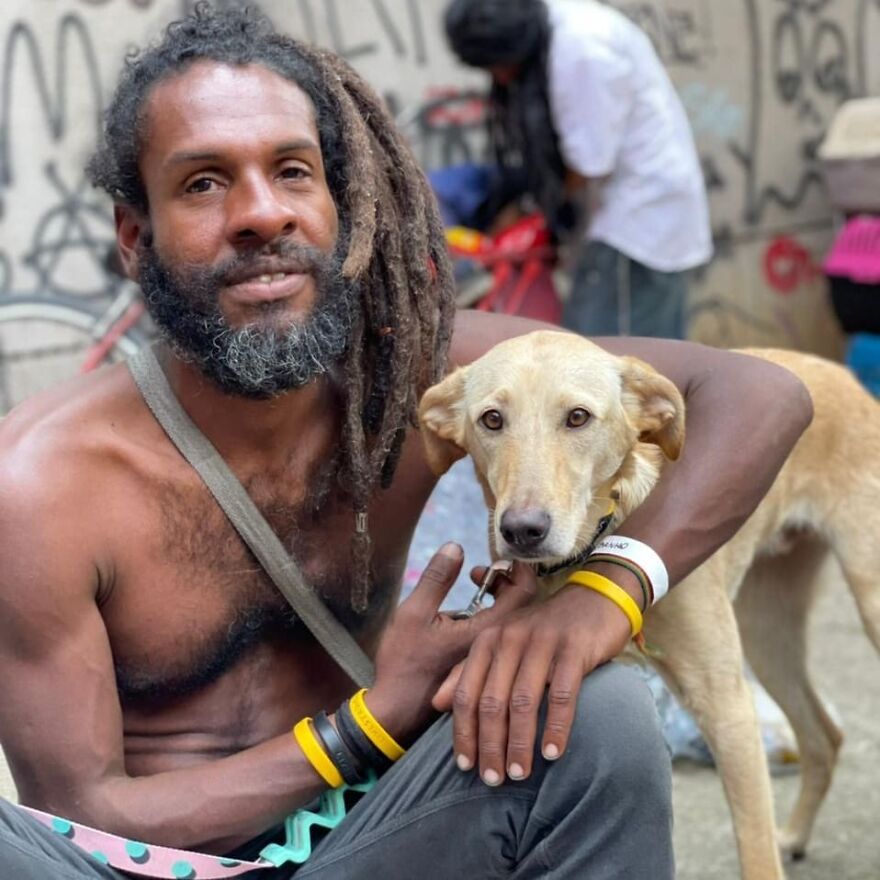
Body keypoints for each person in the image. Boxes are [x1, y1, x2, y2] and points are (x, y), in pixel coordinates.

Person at [0, 5, 811, 879]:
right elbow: (86, 814)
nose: (261, 213)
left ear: (340, 209)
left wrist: (606, 595)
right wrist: (371, 724)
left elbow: (757, 394)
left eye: (292, 171)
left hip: (364, 847)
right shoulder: (40, 483)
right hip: (139, 868)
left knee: (599, 708)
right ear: (135, 235)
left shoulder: (422, 379)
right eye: (203, 183)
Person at [444, 0, 713, 339]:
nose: (500, 77)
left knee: (601, 352)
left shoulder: (582, 48)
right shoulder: (557, 25)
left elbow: (590, 162)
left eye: (499, 65)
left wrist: (528, 210)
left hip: (637, 225)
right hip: (622, 218)